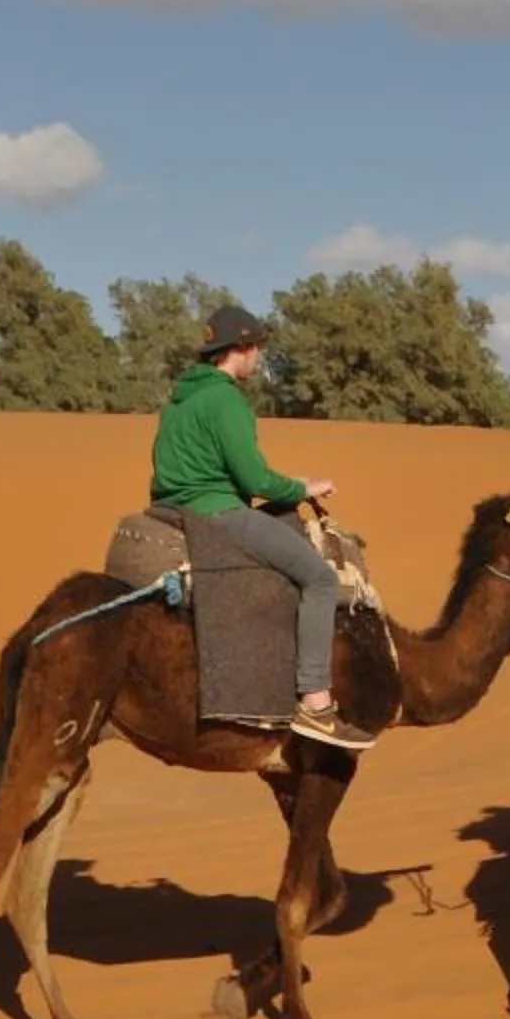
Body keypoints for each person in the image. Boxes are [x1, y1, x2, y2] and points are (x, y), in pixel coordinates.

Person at [149, 303, 370, 750]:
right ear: (242, 349)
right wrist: (302, 487)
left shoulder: (178, 400)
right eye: (257, 349)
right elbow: (254, 479)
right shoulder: (226, 400)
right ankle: (316, 701)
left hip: (169, 509)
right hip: (218, 513)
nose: (259, 358)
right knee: (320, 579)